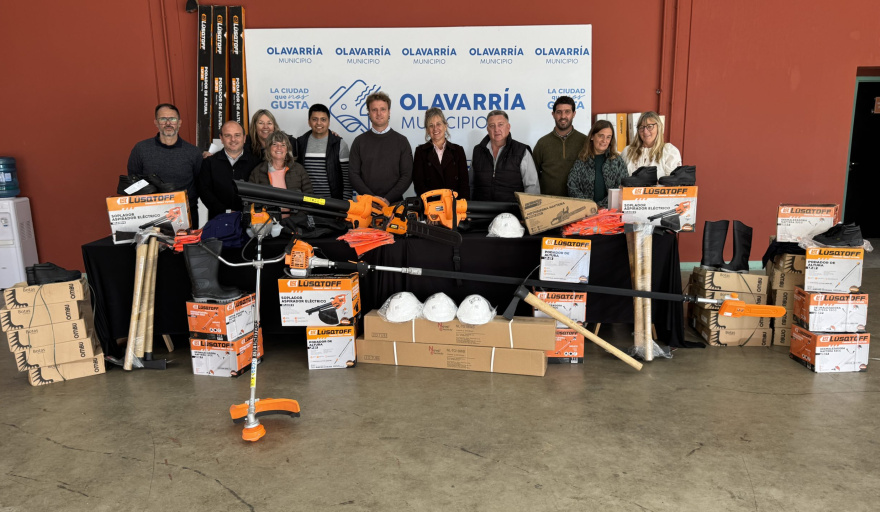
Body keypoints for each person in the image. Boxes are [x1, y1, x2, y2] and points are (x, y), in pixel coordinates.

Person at [128, 103, 203, 226]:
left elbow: (200, 184)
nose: (168, 123)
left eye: (172, 119)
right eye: (163, 119)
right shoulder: (141, 149)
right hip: (149, 216)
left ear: (179, 122)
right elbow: (133, 182)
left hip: (185, 215)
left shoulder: (193, 152)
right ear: (156, 123)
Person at [348, 92, 413, 203]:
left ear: (389, 112)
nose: (379, 113)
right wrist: (372, 198)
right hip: (367, 204)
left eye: (383, 109)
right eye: (374, 110)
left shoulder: (402, 141)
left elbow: (407, 175)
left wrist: (388, 199)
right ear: (369, 113)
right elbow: (353, 175)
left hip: (394, 204)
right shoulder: (359, 142)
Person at [471, 110, 540, 202]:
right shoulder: (477, 151)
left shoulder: (522, 151)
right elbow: (471, 185)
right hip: (482, 209)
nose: (496, 129)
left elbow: (532, 187)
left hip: (513, 209)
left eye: (500, 124)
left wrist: (529, 209)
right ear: (487, 129)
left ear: (508, 127)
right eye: (492, 126)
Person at [196, 120, 259, 220]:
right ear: (221, 138)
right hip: (218, 220)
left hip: (250, 221)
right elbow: (204, 192)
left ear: (244, 138)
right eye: (227, 135)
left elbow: (259, 193)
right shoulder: (209, 163)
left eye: (237, 135)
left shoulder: (256, 163)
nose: (233, 139)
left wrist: (246, 212)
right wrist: (224, 211)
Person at [532, 96, 588, 197]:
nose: (563, 116)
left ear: (574, 114)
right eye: (559, 112)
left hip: (578, 201)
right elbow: (532, 175)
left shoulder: (585, 142)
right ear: (553, 114)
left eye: (567, 112)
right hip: (548, 202)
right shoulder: (542, 143)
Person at [295, 104, 352, 200]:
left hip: (332, 203)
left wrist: (345, 204)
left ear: (329, 122)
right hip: (307, 202)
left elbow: (347, 181)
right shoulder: (300, 143)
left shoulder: (339, 144)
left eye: (323, 119)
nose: (319, 123)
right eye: (314, 119)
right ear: (309, 122)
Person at [412, 108, 470, 199]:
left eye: (438, 124)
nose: (435, 128)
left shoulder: (458, 151)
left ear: (445, 126)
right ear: (427, 130)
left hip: (454, 204)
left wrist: (459, 204)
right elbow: (418, 184)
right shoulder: (420, 152)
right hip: (430, 204)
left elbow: (464, 184)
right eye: (431, 125)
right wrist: (434, 203)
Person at [567, 120, 627, 207]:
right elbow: (572, 186)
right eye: (601, 136)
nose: (604, 140)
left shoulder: (617, 161)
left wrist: (600, 206)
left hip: (610, 211)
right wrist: (589, 206)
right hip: (585, 211)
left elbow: (622, 187)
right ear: (592, 136)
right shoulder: (582, 160)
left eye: (608, 137)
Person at [621, 111, 682, 178]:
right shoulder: (628, 151)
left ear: (658, 127)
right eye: (641, 127)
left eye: (649, 126)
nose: (645, 131)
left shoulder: (669, 151)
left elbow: (673, 181)